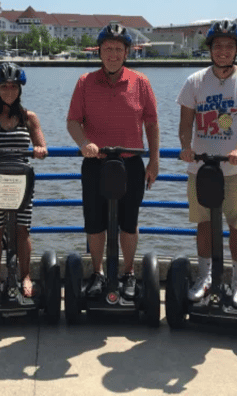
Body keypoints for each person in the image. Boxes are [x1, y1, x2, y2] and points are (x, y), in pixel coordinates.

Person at [66, 23, 160, 300]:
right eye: (108, 49)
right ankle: (98, 273)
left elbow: (152, 125)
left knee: (128, 222)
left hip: (131, 163)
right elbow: (73, 121)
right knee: (95, 223)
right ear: (100, 52)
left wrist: (154, 161)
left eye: (119, 49)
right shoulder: (85, 82)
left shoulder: (140, 82)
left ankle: (128, 272)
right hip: (96, 162)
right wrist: (84, 143)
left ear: (127, 52)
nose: (113, 54)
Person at [177, 20, 237, 307]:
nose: (223, 51)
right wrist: (186, 148)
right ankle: (204, 277)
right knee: (203, 224)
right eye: (218, 46)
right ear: (210, 50)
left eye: (229, 46)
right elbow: (185, 125)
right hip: (201, 168)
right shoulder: (194, 82)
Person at [0, 62, 48, 298]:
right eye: (4, 87)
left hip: (21, 183)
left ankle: (25, 276)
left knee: (22, 230)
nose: (9, 92)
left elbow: (41, 145)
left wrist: (40, 150)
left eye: (13, 87)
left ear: (20, 89)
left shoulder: (29, 117)